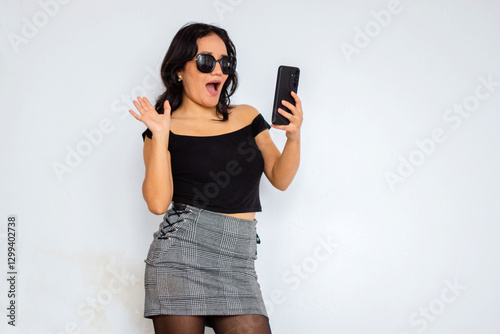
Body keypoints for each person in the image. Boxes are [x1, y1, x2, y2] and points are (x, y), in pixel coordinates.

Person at [129, 22, 302, 334]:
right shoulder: (162, 128)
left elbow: (280, 178)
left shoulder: (247, 116)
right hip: (178, 260)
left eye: (226, 62)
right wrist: (159, 136)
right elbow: (157, 203)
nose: (218, 70)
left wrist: (293, 137)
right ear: (179, 70)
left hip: (238, 265)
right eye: (207, 61)